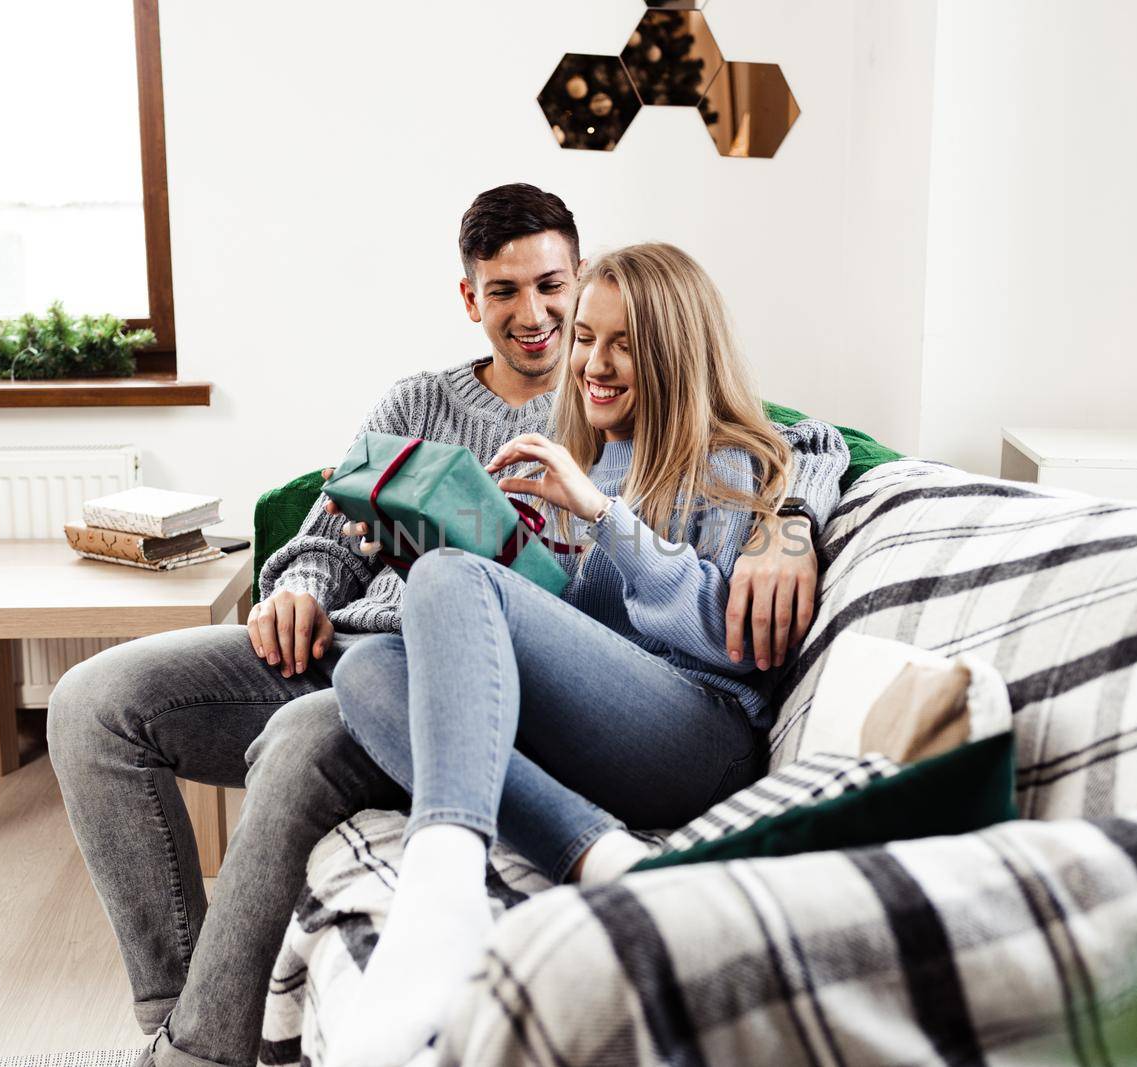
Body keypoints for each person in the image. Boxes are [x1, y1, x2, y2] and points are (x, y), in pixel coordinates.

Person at [46, 184, 849, 1067]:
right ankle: (182, 1010)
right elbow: (347, 540)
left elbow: (812, 447)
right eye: (517, 298)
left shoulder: (686, 451)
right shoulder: (511, 425)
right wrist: (308, 584)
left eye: (563, 299)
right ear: (471, 298)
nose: (559, 332)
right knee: (130, 698)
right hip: (380, 646)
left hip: (648, 706)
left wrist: (785, 524)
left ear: (581, 282)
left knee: (377, 658)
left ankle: (348, 946)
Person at [326, 243, 827, 1067]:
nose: (592, 362)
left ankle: (440, 891)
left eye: (623, 343)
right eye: (586, 337)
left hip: (703, 732)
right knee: (367, 668)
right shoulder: (594, 449)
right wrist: (458, 555)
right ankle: (603, 854)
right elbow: (589, 626)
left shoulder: (732, 456)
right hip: (620, 731)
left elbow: (725, 635)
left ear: (672, 350)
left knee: (456, 578)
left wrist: (602, 513)